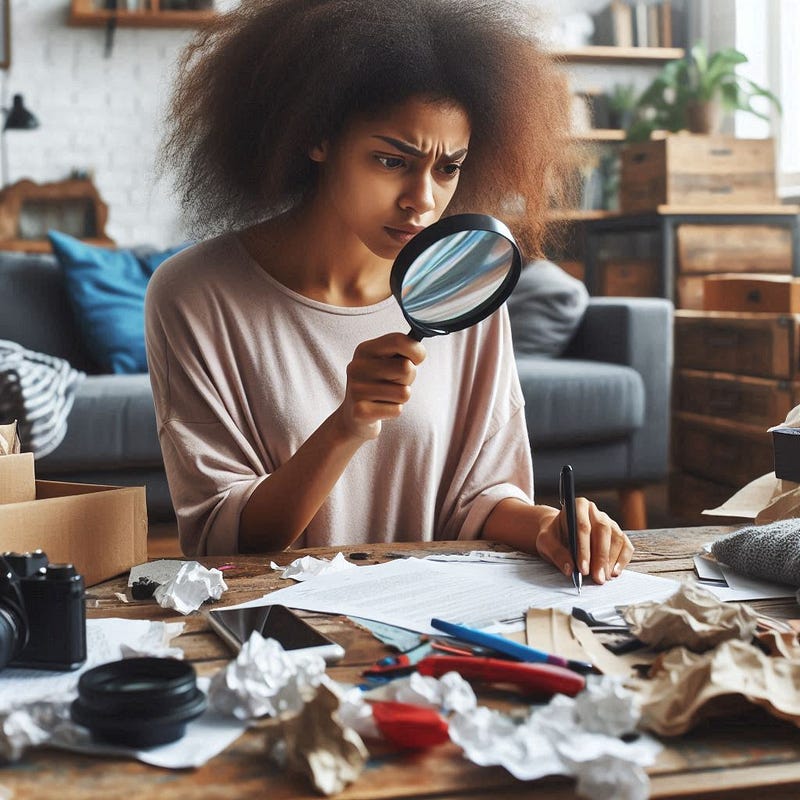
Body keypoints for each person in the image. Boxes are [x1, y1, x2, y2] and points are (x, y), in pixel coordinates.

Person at [147, 0, 634, 585]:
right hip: (281, 633)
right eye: (390, 160)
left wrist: (547, 526)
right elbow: (221, 541)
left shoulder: (464, 287)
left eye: (448, 168)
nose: (422, 200)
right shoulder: (195, 296)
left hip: (433, 624)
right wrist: (346, 425)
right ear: (315, 136)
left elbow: (478, 497)